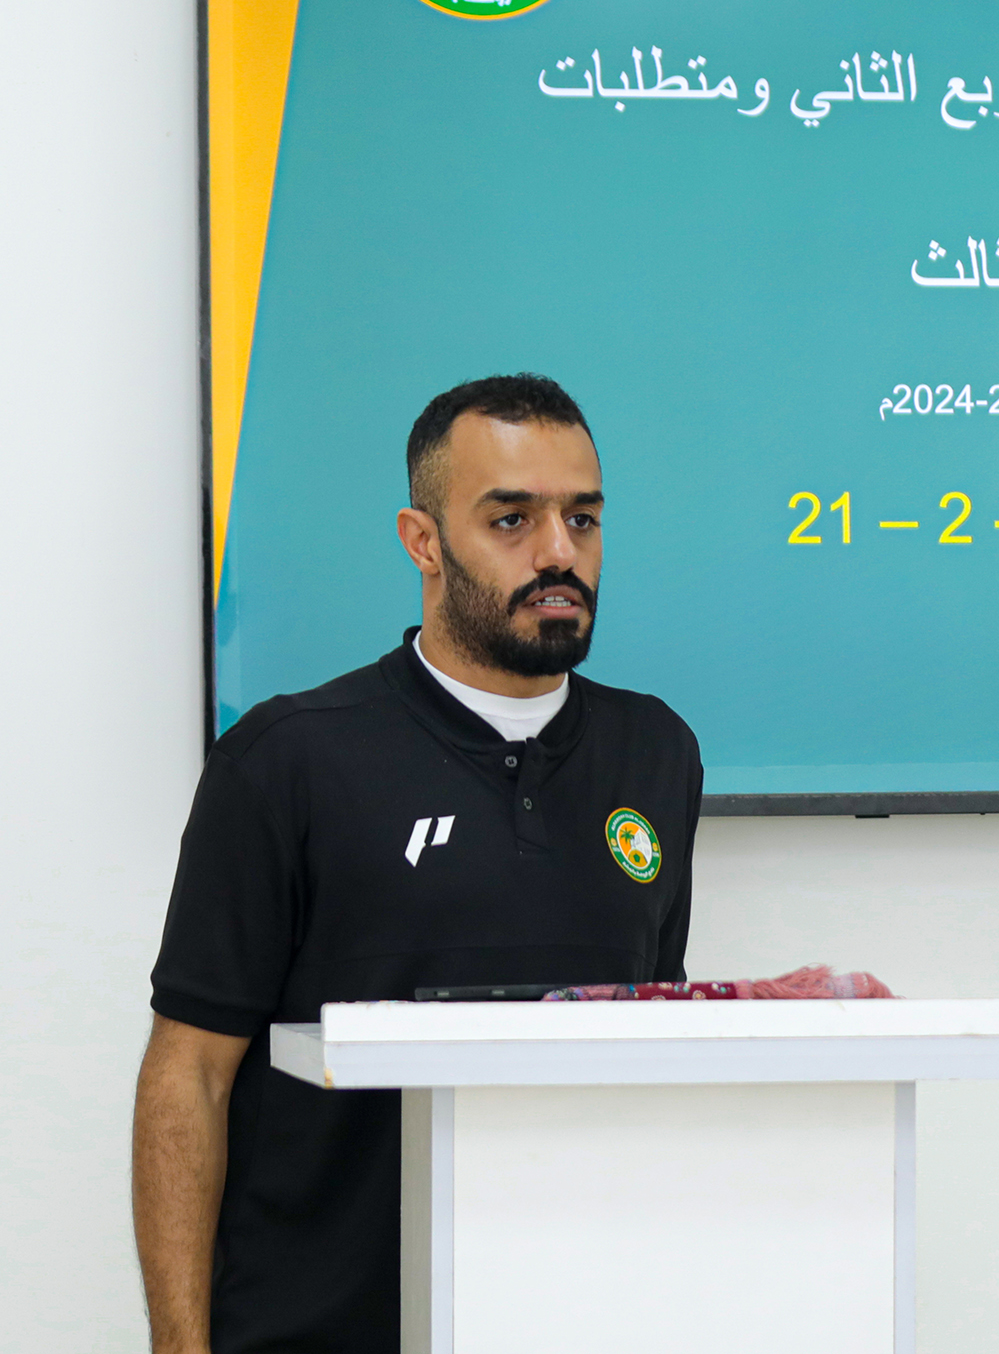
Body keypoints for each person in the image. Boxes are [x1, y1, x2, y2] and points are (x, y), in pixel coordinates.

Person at [133, 374, 702, 1354]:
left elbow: (646, 1048)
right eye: (512, 519)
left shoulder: (656, 753)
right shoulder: (289, 756)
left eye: (582, 518)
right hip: (311, 1329)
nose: (558, 552)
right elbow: (191, 1076)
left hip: (565, 1319)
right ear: (423, 540)